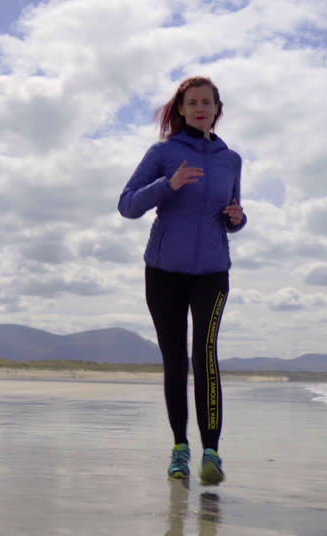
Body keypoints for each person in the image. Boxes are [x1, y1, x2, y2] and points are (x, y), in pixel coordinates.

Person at [118, 76, 247, 486]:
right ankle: (179, 449)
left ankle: (212, 451)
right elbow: (127, 205)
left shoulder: (231, 159)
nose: (199, 108)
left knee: (205, 354)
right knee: (175, 360)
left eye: (206, 102)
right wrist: (168, 184)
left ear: (216, 108)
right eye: (191, 102)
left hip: (212, 271)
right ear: (181, 109)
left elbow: (233, 213)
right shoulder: (163, 153)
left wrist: (238, 219)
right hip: (164, 272)